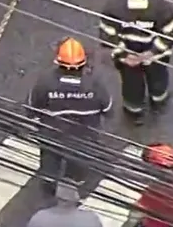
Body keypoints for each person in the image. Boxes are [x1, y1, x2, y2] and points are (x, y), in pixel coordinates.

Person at [99, 0, 173, 124]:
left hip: (127, 59)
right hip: (155, 57)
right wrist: (150, 54)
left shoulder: (113, 6)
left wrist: (126, 56)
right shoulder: (161, 6)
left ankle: (134, 111)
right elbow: (170, 33)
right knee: (158, 79)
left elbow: (108, 35)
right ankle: (159, 103)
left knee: (131, 85)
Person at [27, 37, 113, 195]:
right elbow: (108, 109)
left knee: (49, 162)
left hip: (51, 134)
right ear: (83, 63)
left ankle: (49, 185)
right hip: (84, 137)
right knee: (78, 164)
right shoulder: (94, 84)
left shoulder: (45, 81)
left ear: (58, 62)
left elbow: (32, 106)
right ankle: (73, 183)